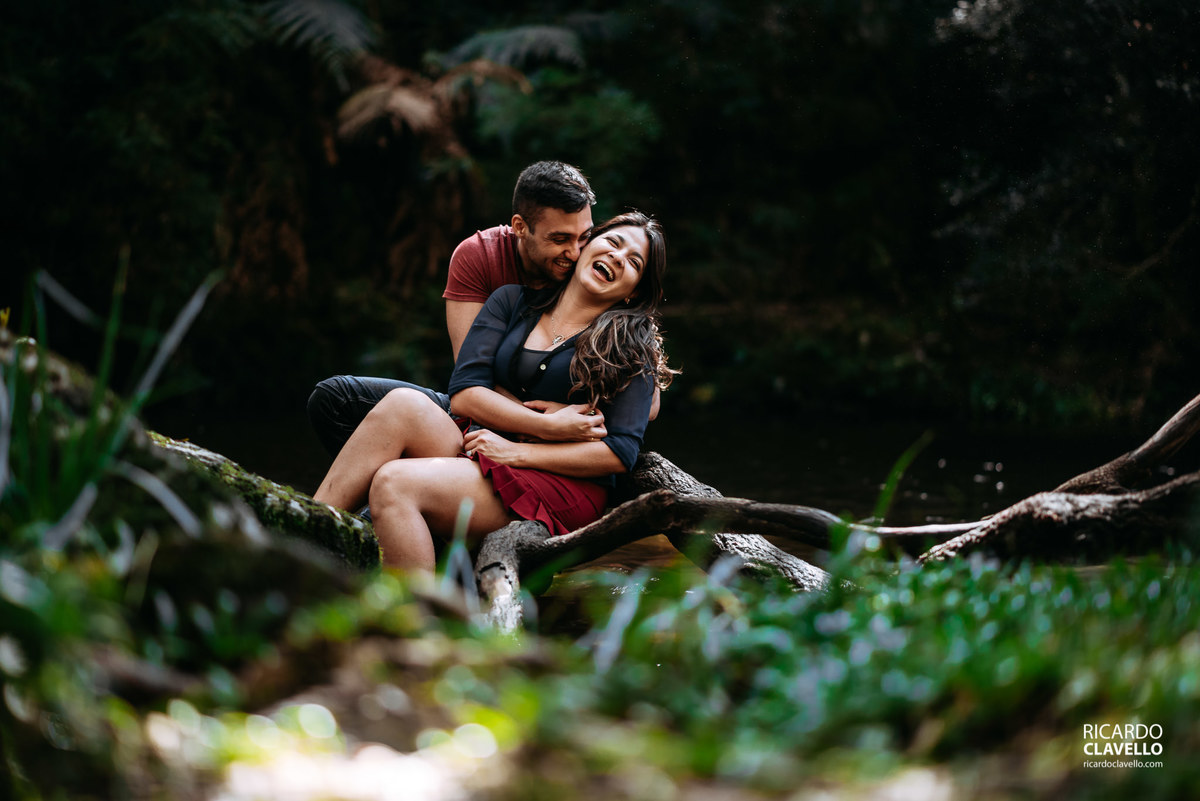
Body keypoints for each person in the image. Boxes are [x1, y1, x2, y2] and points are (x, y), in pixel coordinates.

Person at [312, 212, 676, 571]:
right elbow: (465, 392)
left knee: (394, 482)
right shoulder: (512, 301)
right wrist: (542, 426)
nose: (616, 256)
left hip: (558, 484)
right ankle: (299, 531)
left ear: (634, 292)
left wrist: (516, 453)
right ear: (586, 245)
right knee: (401, 405)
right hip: (484, 447)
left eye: (633, 262)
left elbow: (620, 452)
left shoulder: (631, 343)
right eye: (613, 242)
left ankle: (416, 625)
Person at [306, 161, 597, 459]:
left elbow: (645, 403)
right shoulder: (480, 255)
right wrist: (541, 423)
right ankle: (371, 493)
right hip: (486, 406)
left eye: (584, 236)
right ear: (520, 227)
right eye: (559, 239)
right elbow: (471, 377)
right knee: (334, 398)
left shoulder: (597, 266)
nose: (575, 253)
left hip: (560, 431)